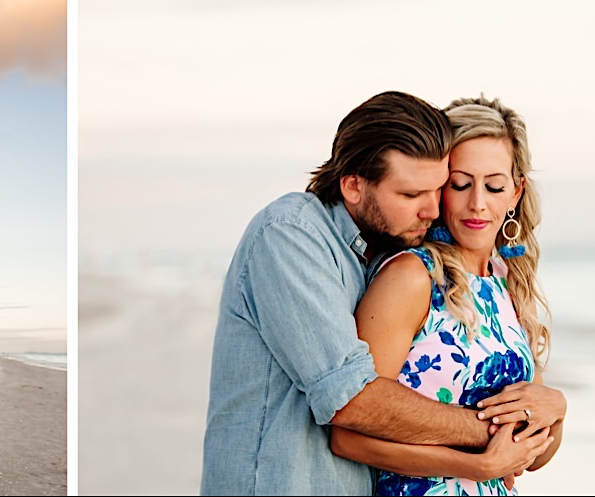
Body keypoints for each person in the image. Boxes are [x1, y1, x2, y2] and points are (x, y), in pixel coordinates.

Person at [201, 91, 550, 495]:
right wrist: (492, 435)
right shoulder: (290, 236)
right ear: (353, 185)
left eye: (437, 189)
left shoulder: (383, 249)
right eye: (411, 194)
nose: (432, 210)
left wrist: (553, 406)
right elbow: (351, 399)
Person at [329, 96, 564, 495]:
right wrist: (474, 464)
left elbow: (533, 456)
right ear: (439, 187)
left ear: (516, 192)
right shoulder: (411, 277)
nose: (477, 204)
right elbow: (347, 436)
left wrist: (556, 410)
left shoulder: (507, 283)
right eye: (460, 184)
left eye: (494, 186)